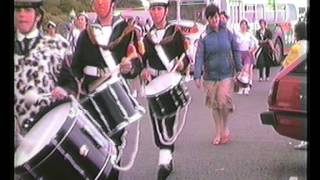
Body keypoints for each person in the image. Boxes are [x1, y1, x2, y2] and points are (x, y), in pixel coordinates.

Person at [55, 0, 144, 179]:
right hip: (91, 95)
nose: (99, 3)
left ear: (112, 3)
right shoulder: (86, 34)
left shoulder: (126, 30)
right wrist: (70, 89)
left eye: (103, 0)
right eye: (96, 1)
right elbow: (76, 67)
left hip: (116, 92)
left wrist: (131, 67)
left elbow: (137, 60)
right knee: (95, 143)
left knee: (114, 143)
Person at [140, 0, 190, 179]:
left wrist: (182, 62)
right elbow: (141, 59)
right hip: (154, 83)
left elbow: (186, 57)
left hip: (170, 81)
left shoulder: (175, 33)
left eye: (159, 9)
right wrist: (143, 70)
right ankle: (166, 154)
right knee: (156, 122)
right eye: (152, 9)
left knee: (168, 119)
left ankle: (165, 160)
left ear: (165, 11)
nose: (155, 12)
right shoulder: (147, 37)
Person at [14, 0, 71, 142]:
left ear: (38, 16)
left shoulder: (57, 46)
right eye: (18, 10)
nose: (21, 15)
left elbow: (71, 82)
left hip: (49, 131)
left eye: (27, 10)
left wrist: (64, 90)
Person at [194, 4, 242, 146]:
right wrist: (197, 75)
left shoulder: (227, 32)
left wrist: (239, 68)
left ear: (218, 16)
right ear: (207, 20)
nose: (214, 20)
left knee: (223, 100)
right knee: (215, 105)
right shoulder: (204, 36)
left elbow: (236, 50)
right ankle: (218, 131)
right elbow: (199, 57)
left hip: (227, 73)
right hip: (210, 75)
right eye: (210, 18)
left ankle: (225, 127)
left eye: (215, 17)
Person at [235, 19, 259, 95]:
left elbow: (256, 43)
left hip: (247, 54)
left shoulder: (249, 34)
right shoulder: (237, 34)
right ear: (240, 26)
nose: (243, 26)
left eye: (245, 25)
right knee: (240, 72)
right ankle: (241, 87)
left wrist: (252, 50)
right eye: (242, 25)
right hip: (239, 53)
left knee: (246, 70)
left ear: (246, 26)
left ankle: (246, 88)